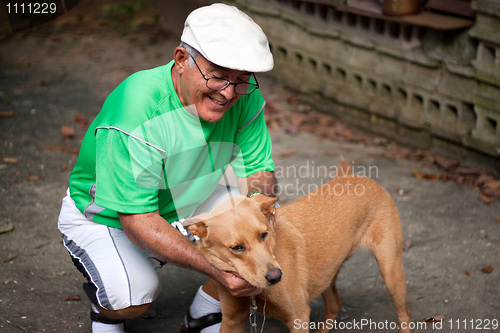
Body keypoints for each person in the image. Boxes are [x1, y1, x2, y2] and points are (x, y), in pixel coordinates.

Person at [57, 3, 277, 333]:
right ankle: (106, 309)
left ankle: (206, 311)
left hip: (185, 199)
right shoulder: (137, 110)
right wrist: (220, 269)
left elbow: (259, 172)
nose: (229, 93)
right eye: (217, 76)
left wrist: (263, 221)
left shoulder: (245, 96)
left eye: (240, 80)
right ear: (181, 60)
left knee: (267, 236)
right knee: (132, 298)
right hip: (111, 216)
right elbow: (138, 222)